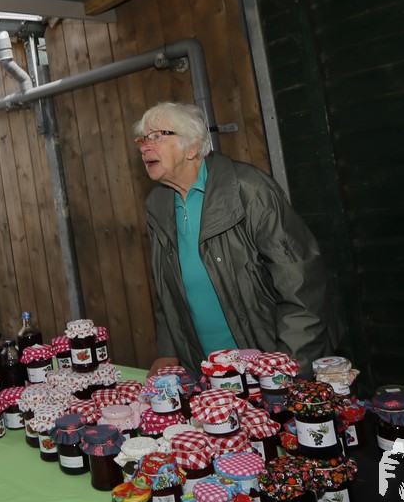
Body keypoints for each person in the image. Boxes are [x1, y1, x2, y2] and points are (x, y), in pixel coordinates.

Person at [134, 101, 339, 377]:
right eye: (143, 139)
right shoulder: (157, 205)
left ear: (192, 147)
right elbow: (166, 290)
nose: (144, 147)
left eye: (157, 136)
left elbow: (302, 284)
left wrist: (287, 366)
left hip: (271, 363)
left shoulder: (249, 190)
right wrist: (168, 351)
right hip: (208, 372)